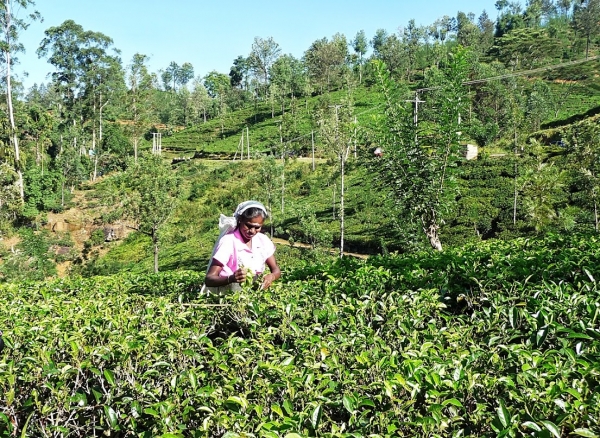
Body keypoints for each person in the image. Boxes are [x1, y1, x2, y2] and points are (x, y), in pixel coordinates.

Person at [204, 200, 281, 292]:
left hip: (254, 293)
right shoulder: (229, 241)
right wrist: (231, 278)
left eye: (257, 227)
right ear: (240, 220)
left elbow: (276, 269)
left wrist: (271, 276)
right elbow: (209, 279)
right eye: (248, 226)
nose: (252, 231)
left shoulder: (263, 241)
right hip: (229, 294)